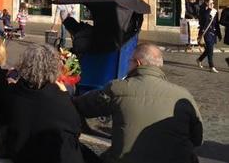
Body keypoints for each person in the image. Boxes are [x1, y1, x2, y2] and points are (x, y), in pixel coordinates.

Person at [74, 43, 203, 163]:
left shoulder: (118, 88)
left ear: (137, 63)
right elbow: (197, 139)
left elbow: (83, 105)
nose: (128, 65)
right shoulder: (184, 94)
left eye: (130, 61)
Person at [2, 44, 86, 163]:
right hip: (51, 155)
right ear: (54, 67)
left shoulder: (15, 91)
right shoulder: (60, 96)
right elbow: (76, 129)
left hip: (19, 153)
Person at [197, 0, 222, 73]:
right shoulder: (203, 10)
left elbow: (216, 23)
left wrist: (219, 34)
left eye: (213, 3)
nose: (212, 4)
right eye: (210, 3)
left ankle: (199, 59)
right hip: (206, 32)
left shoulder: (215, 11)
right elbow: (203, 21)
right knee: (210, 49)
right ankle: (212, 66)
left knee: (208, 49)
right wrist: (209, 10)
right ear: (206, 3)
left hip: (213, 33)